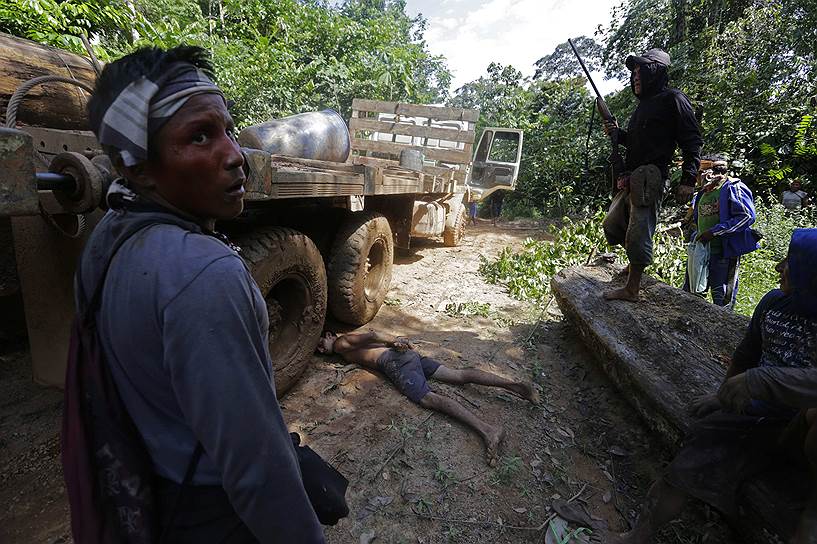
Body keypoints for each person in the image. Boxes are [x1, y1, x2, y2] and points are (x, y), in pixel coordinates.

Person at [77, 46, 324, 542]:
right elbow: (256, 469)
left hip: (153, 487)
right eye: (200, 136)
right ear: (140, 168)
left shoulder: (105, 239)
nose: (235, 154)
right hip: (210, 512)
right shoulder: (206, 275)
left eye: (229, 129)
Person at [609, 228, 817, 544]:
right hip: (755, 417)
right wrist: (723, 395)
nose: (779, 267)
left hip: (801, 434)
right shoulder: (774, 303)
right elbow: (746, 355)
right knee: (685, 465)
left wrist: (764, 380)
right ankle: (638, 536)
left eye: (791, 261)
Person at [316, 330, 539, 466]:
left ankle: (488, 430)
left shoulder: (339, 343)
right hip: (405, 356)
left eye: (320, 344)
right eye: (319, 350)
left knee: (428, 399)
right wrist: (397, 343)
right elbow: (374, 340)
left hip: (395, 362)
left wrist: (395, 341)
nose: (321, 349)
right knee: (458, 375)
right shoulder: (345, 346)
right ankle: (517, 388)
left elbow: (373, 334)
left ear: (329, 335)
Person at [601, 48, 703, 302]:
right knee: (613, 224)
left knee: (638, 230)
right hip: (632, 177)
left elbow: (692, 140)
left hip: (651, 178)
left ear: (655, 71)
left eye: (640, 70)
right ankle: (636, 266)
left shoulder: (673, 99)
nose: (635, 75)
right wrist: (619, 135)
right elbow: (637, 143)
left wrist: (688, 179)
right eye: (634, 71)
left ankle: (632, 288)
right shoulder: (642, 108)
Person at [683, 156, 759, 309]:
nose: (696, 179)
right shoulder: (702, 193)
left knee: (722, 299)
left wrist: (714, 232)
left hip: (724, 253)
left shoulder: (733, 188)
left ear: (709, 174)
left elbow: (746, 217)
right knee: (692, 292)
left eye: (698, 174)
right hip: (702, 252)